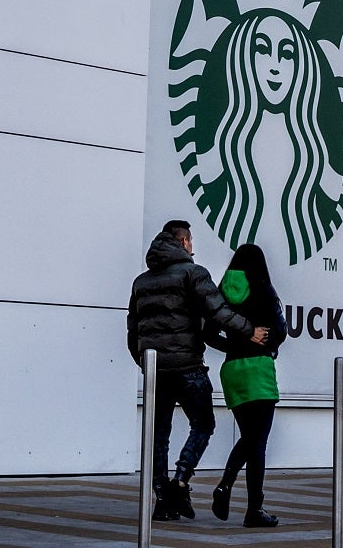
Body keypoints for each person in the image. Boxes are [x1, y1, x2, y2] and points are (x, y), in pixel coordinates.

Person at [128, 220, 267, 521]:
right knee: (203, 424)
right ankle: (180, 481)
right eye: (190, 242)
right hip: (188, 367)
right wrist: (250, 330)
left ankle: (162, 499)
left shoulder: (141, 282)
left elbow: (133, 331)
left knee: (158, 435)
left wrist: (145, 362)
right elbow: (218, 311)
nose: (192, 247)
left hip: (157, 372)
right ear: (184, 242)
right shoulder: (193, 273)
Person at [208, 243, 285, 528]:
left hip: (232, 371)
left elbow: (208, 334)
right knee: (257, 442)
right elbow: (281, 331)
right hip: (258, 371)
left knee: (250, 437)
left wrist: (235, 345)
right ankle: (254, 509)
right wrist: (266, 343)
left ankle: (225, 486)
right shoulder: (264, 289)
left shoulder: (222, 292)